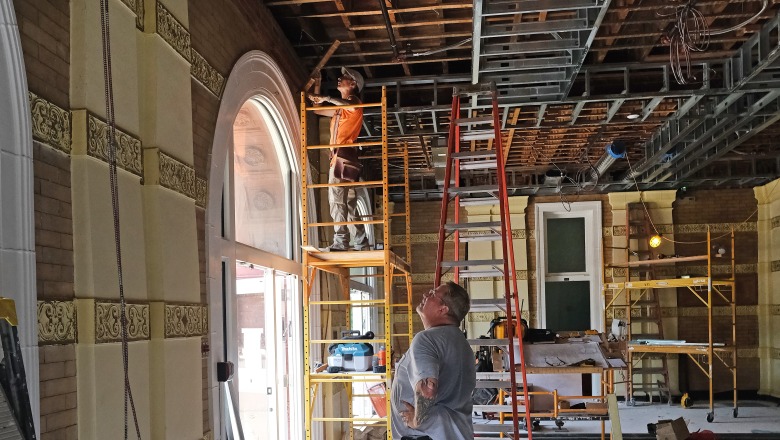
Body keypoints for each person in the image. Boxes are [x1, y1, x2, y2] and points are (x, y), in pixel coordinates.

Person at [391, 281, 476, 440]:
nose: (425, 295)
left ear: (443, 309)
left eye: (432, 294)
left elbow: (428, 388)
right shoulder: (462, 343)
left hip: (425, 436)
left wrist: (417, 421)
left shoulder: (426, 339)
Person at [307, 67, 370, 251]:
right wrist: (318, 87)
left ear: (353, 84)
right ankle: (361, 242)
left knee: (336, 200)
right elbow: (318, 111)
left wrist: (326, 97)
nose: (340, 79)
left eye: (344, 77)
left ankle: (341, 242)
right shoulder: (341, 110)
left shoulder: (354, 103)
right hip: (346, 158)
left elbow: (348, 105)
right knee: (348, 204)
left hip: (342, 157)